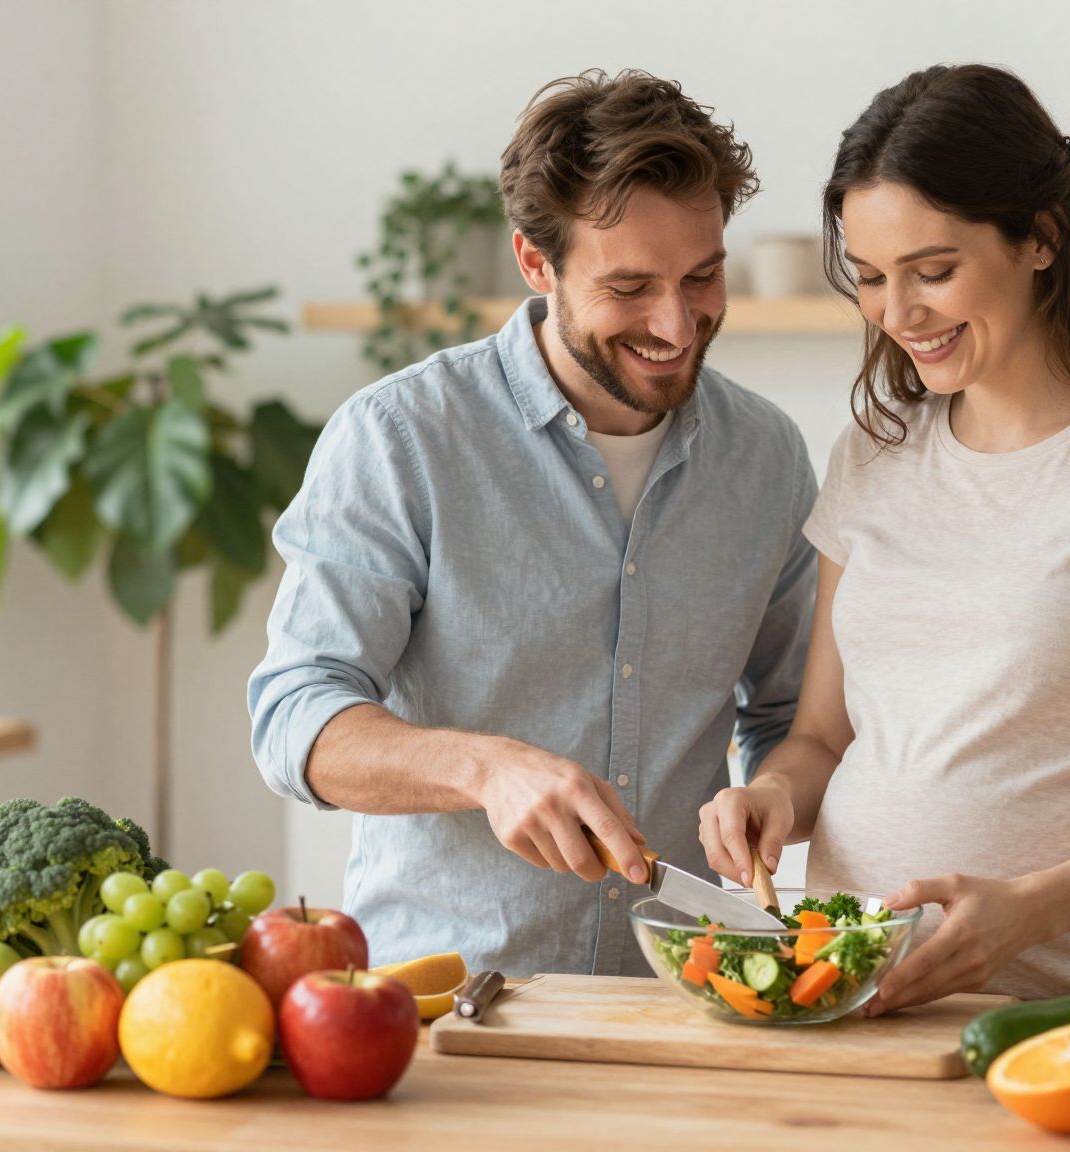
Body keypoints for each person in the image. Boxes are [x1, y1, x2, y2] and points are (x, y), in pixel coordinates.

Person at [698, 64, 1070, 1011]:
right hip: (859, 1002)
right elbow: (820, 734)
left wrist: (1031, 910)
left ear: (1040, 240)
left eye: (934, 271)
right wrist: (772, 797)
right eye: (870, 279)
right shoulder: (875, 451)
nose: (899, 314)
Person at [250, 69, 817, 974]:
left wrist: (775, 793)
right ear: (534, 263)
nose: (676, 324)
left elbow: (792, 716)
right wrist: (484, 769)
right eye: (629, 286)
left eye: (702, 276)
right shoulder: (402, 438)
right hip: (448, 1007)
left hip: (679, 1005)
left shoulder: (768, 456)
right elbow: (294, 719)